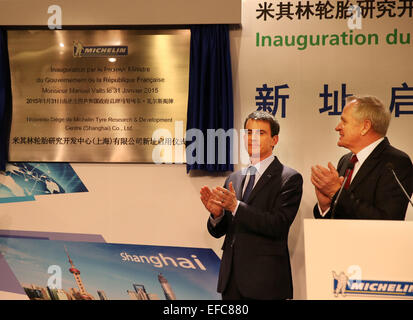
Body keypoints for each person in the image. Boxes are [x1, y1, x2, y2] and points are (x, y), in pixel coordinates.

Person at [200, 111, 303, 300]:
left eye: (260, 133)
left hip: (264, 282)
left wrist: (235, 207)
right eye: (248, 132)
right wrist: (217, 216)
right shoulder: (234, 178)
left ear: (275, 140)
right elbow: (220, 231)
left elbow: (277, 225)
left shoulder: (289, 178)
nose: (252, 138)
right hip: (231, 281)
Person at [311, 95, 413, 220]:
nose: (337, 127)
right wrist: (325, 206)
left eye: (344, 121)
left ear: (365, 127)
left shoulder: (396, 163)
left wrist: (336, 193)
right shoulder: (346, 161)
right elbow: (337, 217)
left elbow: (387, 220)